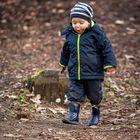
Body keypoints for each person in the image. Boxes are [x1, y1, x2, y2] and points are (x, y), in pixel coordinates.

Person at [59, 2, 117, 126]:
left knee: (95, 95)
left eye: (81, 22)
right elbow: (66, 50)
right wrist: (63, 63)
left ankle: (95, 114)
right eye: (74, 22)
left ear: (88, 21)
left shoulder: (96, 33)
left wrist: (110, 64)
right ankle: (73, 115)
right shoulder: (70, 34)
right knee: (74, 93)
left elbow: (107, 48)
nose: (77, 26)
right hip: (76, 71)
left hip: (93, 72)